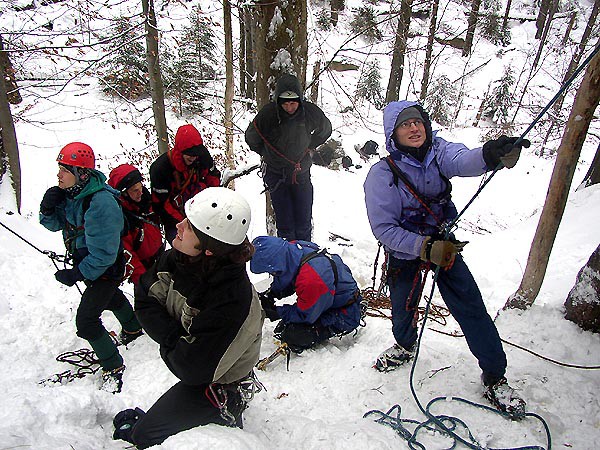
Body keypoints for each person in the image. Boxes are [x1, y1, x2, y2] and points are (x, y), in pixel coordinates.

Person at [363, 100, 531, 416]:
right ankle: (404, 345)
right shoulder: (381, 174)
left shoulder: (439, 151)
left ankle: (495, 376)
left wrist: (491, 154)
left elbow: (464, 159)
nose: (414, 128)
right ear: (392, 134)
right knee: (403, 305)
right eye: (405, 124)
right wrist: (424, 249)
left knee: (470, 305)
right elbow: (384, 229)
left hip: (443, 242)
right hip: (405, 248)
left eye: (418, 122)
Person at [112, 187, 263, 449]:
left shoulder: (232, 300)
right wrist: (177, 339)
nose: (179, 226)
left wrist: (171, 337)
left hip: (219, 385)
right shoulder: (179, 258)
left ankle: (222, 419)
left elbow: (192, 368)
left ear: (209, 249)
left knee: (144, 436)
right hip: (201, 363)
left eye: (190, 227)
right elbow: (145, 298)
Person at [39, 142, 143, 393]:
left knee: (86, 321)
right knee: (110, 298)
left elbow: (105, 255)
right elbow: (54, 225)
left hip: (105, 268)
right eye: (60, 168)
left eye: (64, 169)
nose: (58, 175)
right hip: (89, 263)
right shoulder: (72, 194)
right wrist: (47, 208)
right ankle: (133, 327)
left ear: (81, 173)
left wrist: (76, 274)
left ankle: (113, 366)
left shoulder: (101, 203)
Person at [245, 73, 332, 241]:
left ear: (299, 100)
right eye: (285, 103)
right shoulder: (268, 114)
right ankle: (288, 260)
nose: (290, 107)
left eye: (293, 103)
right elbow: (251, 137)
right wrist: (267, 153)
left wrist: (310, 145)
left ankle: (305, 259)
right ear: (278, 101)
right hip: (276, 175)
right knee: (285, 224)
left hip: (301, 174)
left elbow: (326, 129)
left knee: (304, 221)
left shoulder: (310, 112)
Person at [250, 236, 362, 354]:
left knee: (294, 335)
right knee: (284, 326)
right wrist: (272, 293)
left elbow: (306, 315)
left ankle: (332, 327)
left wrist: (276, 312)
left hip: (345, 313)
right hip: (327, 296)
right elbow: (288, 274)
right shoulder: (294, 248)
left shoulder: (311, 280)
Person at [150, 124, 221, 244]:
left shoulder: (202, 157)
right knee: (185, 248)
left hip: (201, 210)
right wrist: (185, 222)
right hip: (175, 219)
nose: (193, 158)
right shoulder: (160, 169)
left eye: (195, 155)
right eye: (189, 155)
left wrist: (212, 205)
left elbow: (213, 179)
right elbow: (162, 205)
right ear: (180, 151)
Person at [108, 164, 164, 286]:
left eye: (141, 187)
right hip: (143, 269)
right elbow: (127, 254)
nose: (141, 193)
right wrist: (144, 282)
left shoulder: (146, 201)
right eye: (135, 190)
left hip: (160, 258)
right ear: (124, 193)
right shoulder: (120, 218)